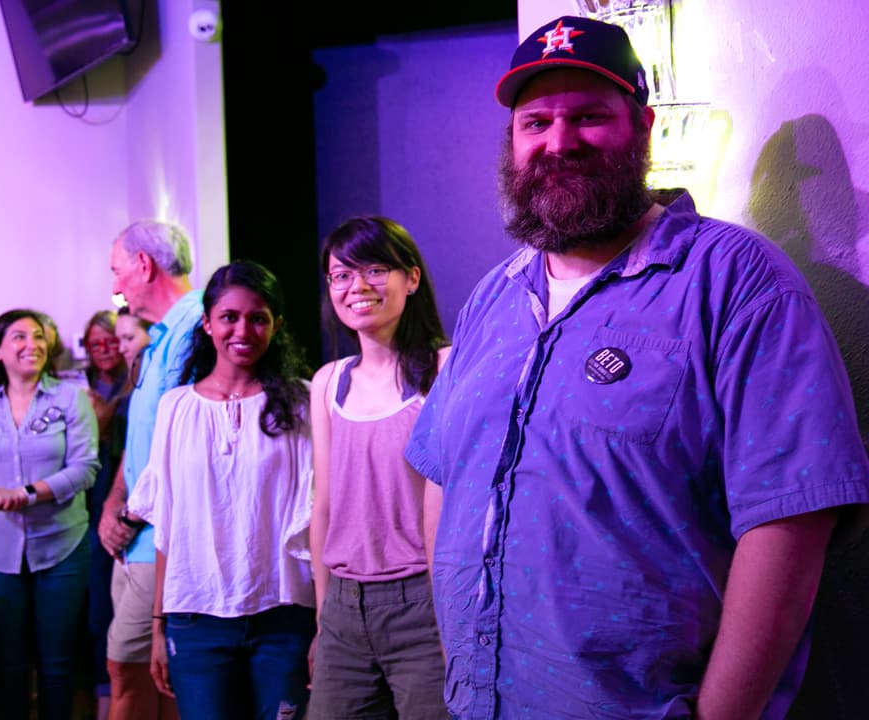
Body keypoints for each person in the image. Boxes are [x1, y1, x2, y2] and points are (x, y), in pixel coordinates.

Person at [404, 16, 869, 718]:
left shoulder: (737, 281)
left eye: (589, 117)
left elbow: (792, 522)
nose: (559, 143)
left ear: (642, 127)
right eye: (536, 124)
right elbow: (444, 472)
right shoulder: (491, 298)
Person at [128, 260, 316, 719]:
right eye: (230, 317)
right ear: (208, 323)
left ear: (277, 326)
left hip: (283, 616)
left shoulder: (302, 403)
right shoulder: (175, 408)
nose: (243, 329)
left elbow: (319, 521)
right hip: (195, 620)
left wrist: (322, 625)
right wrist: (159, 624)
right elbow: (168, 527)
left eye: (258, 318)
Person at [307, 217, 451, 719]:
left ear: (410, 279)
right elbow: (323, 507)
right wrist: (325, 618)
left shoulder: (444, 370)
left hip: (424, 606)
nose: (357, 287)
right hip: (344, 610)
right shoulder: (328, 382)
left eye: (374, 269)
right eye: (341, 275)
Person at [0, 309, 100, 719]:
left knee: (57, 666)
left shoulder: (70, 398)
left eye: (37, 336)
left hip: (62, 548)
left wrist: (29, 493)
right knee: (7, 667)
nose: (31, 344)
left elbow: (85, 467)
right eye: (18, 337)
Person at [99, 220, 201, 720]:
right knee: (140, 676)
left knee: (130, 672)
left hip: (161, 541)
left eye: (118, 272)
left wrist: (131, 515)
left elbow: (188, 446)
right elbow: (141, 440)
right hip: (136, 536)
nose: (115, 287)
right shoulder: (159, 337)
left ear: (144, 265)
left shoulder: (197, 326)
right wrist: (112, 503)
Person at [81, 310, 129, 712]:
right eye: (95, 343)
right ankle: (102, 695)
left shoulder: (141, 380)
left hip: (125, 491)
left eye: (111, 341)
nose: (104, 350)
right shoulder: (78, 385)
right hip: (89, 496)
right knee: (97, 602)